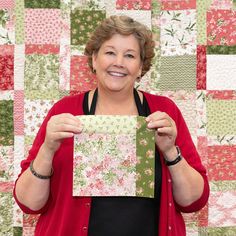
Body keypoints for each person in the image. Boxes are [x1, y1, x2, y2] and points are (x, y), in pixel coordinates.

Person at [14, 15, 209, 236]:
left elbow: (194, 201)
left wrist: (170, 151)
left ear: (141, 66)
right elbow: (29, 203)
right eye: (110, 52)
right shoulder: (64, 111)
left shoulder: (163, 113)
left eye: (129, 55)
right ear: (94, 59)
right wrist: (47, 149)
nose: (119, 62)